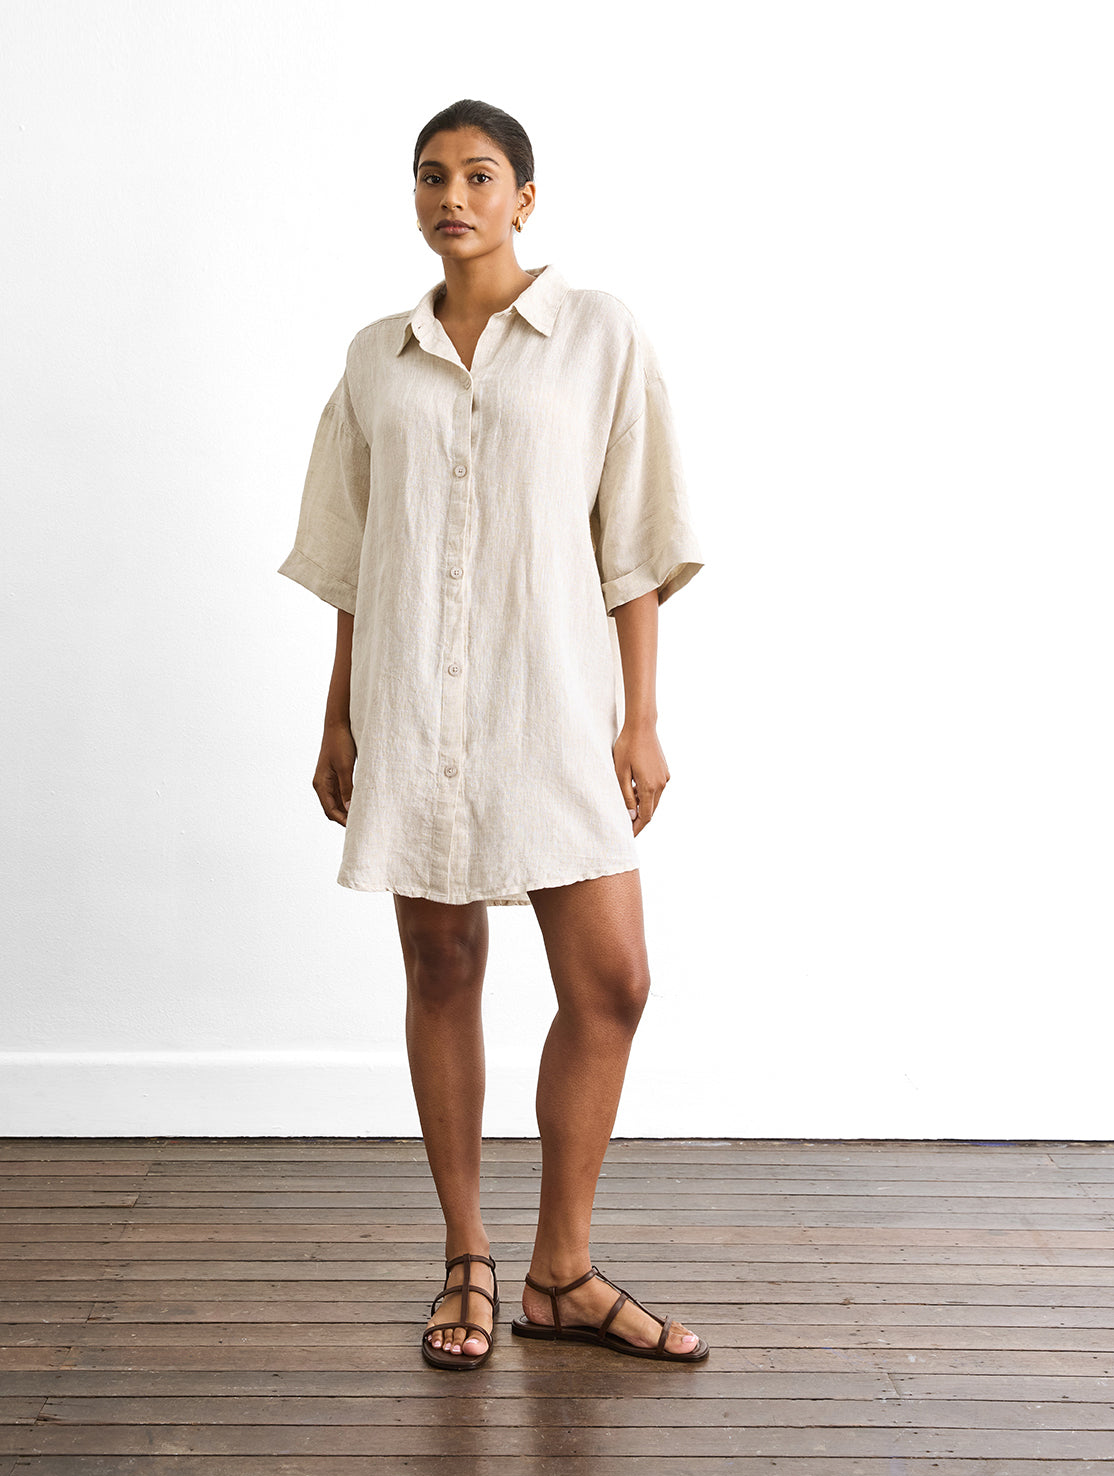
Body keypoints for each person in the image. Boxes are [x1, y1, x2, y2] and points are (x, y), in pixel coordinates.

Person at [278, 99, 708, 1370]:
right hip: (412, 701)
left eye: (478, 175)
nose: (451, 197)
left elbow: (634, 543)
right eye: (431, 176)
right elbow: (356, 555)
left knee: (613, 982)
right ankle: (467, 1258)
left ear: (525, 197)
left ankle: (562, 1271)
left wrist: (641, 717)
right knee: (443, 965)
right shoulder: (377, 358)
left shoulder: (598, 335)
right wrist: (338, 711)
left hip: (554, 700)